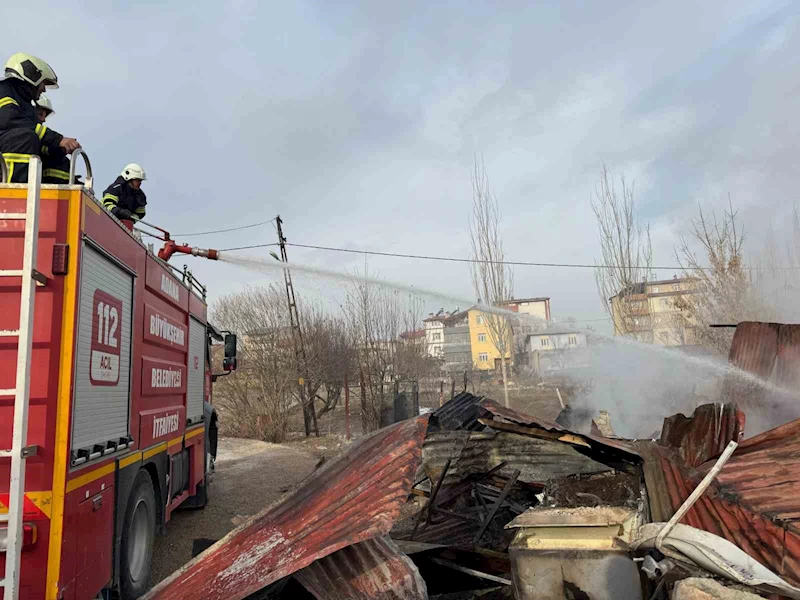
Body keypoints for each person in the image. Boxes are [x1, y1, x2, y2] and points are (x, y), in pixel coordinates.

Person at [0, 53, 80, 183]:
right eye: (43, 83)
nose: (44, 89)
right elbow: (10, 121)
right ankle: (13, 193)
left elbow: (36, 138)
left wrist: (58, 148)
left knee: (57, 158)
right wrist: (58, 139)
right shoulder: (3, 91)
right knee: (24, 138)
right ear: (31, 75)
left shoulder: (25, 104)